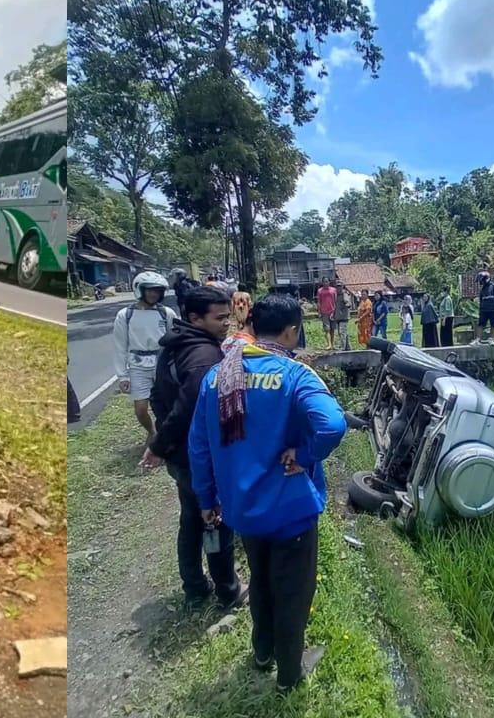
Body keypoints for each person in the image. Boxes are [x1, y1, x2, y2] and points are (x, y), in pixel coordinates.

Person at [187, 293, 346, 692]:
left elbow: (199, 446)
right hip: (289, 511)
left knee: (260, 581)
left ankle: (262, 652)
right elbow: (332, 425)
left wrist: (206, 500)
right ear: (292, 331)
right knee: (293, 593)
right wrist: (304, 455)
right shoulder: (295, 376)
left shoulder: (217, 376)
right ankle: (289, 675)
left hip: (242, 510)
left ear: (254, 326)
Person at [141, 287, 245, 609]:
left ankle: (195, 587)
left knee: (190, 520)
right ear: (195, 318)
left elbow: (157, 396)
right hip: (199, 457)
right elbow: (186, 410)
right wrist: (160, 445)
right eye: (220, 318)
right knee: (215, 520)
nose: (226, 323)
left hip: (180, 455)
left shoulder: (175, 344)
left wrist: (163, 443)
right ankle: (228, 590)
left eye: (228, 316)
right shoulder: (204, 358)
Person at [113, 272, 179, 441]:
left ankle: (167, 436)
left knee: (167, 404)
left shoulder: (166, 313)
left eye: (157, 290)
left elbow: (176, 338)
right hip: (138, 366)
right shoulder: (125, 315)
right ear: (140, 290)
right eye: (149, 290)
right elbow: (120, 347)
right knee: (141, 409)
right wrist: (122, 376)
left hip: (162, 363)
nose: (153, 294)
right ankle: (152, 431)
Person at [474, 271, 494, 344]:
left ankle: (491, 339)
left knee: (493, 324)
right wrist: (480, 309)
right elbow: (481, 300)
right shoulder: (482, 289)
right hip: (484, 310)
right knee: (480, 324)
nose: (481, 282)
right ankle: (478, 339)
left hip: (493, 309)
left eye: (482, 281)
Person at [316, 278, 337, 350]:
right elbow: (319, 301)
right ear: (322, 283)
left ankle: (332, 344)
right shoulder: (320, 291)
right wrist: (319, 312)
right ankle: (329, 344)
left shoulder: (333, 290)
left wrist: (335, 311)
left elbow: (335, 300)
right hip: (324, 312)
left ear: (329, 282)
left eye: (327, 282)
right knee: (327, 329)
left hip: (332, 311)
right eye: (324, 282)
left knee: (332, 329)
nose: (326, 283)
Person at [332, 281, 352, 351]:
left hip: (344, 317)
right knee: (343, 333)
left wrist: (347, 304)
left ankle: (342, 347)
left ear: (342, 287)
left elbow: (348, 302)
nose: (339, 288)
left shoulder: (344, 294)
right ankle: (348, 347)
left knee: (342, 332)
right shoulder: (336, 295)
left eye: (340, 286)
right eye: (337, 286)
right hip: (338, 317)